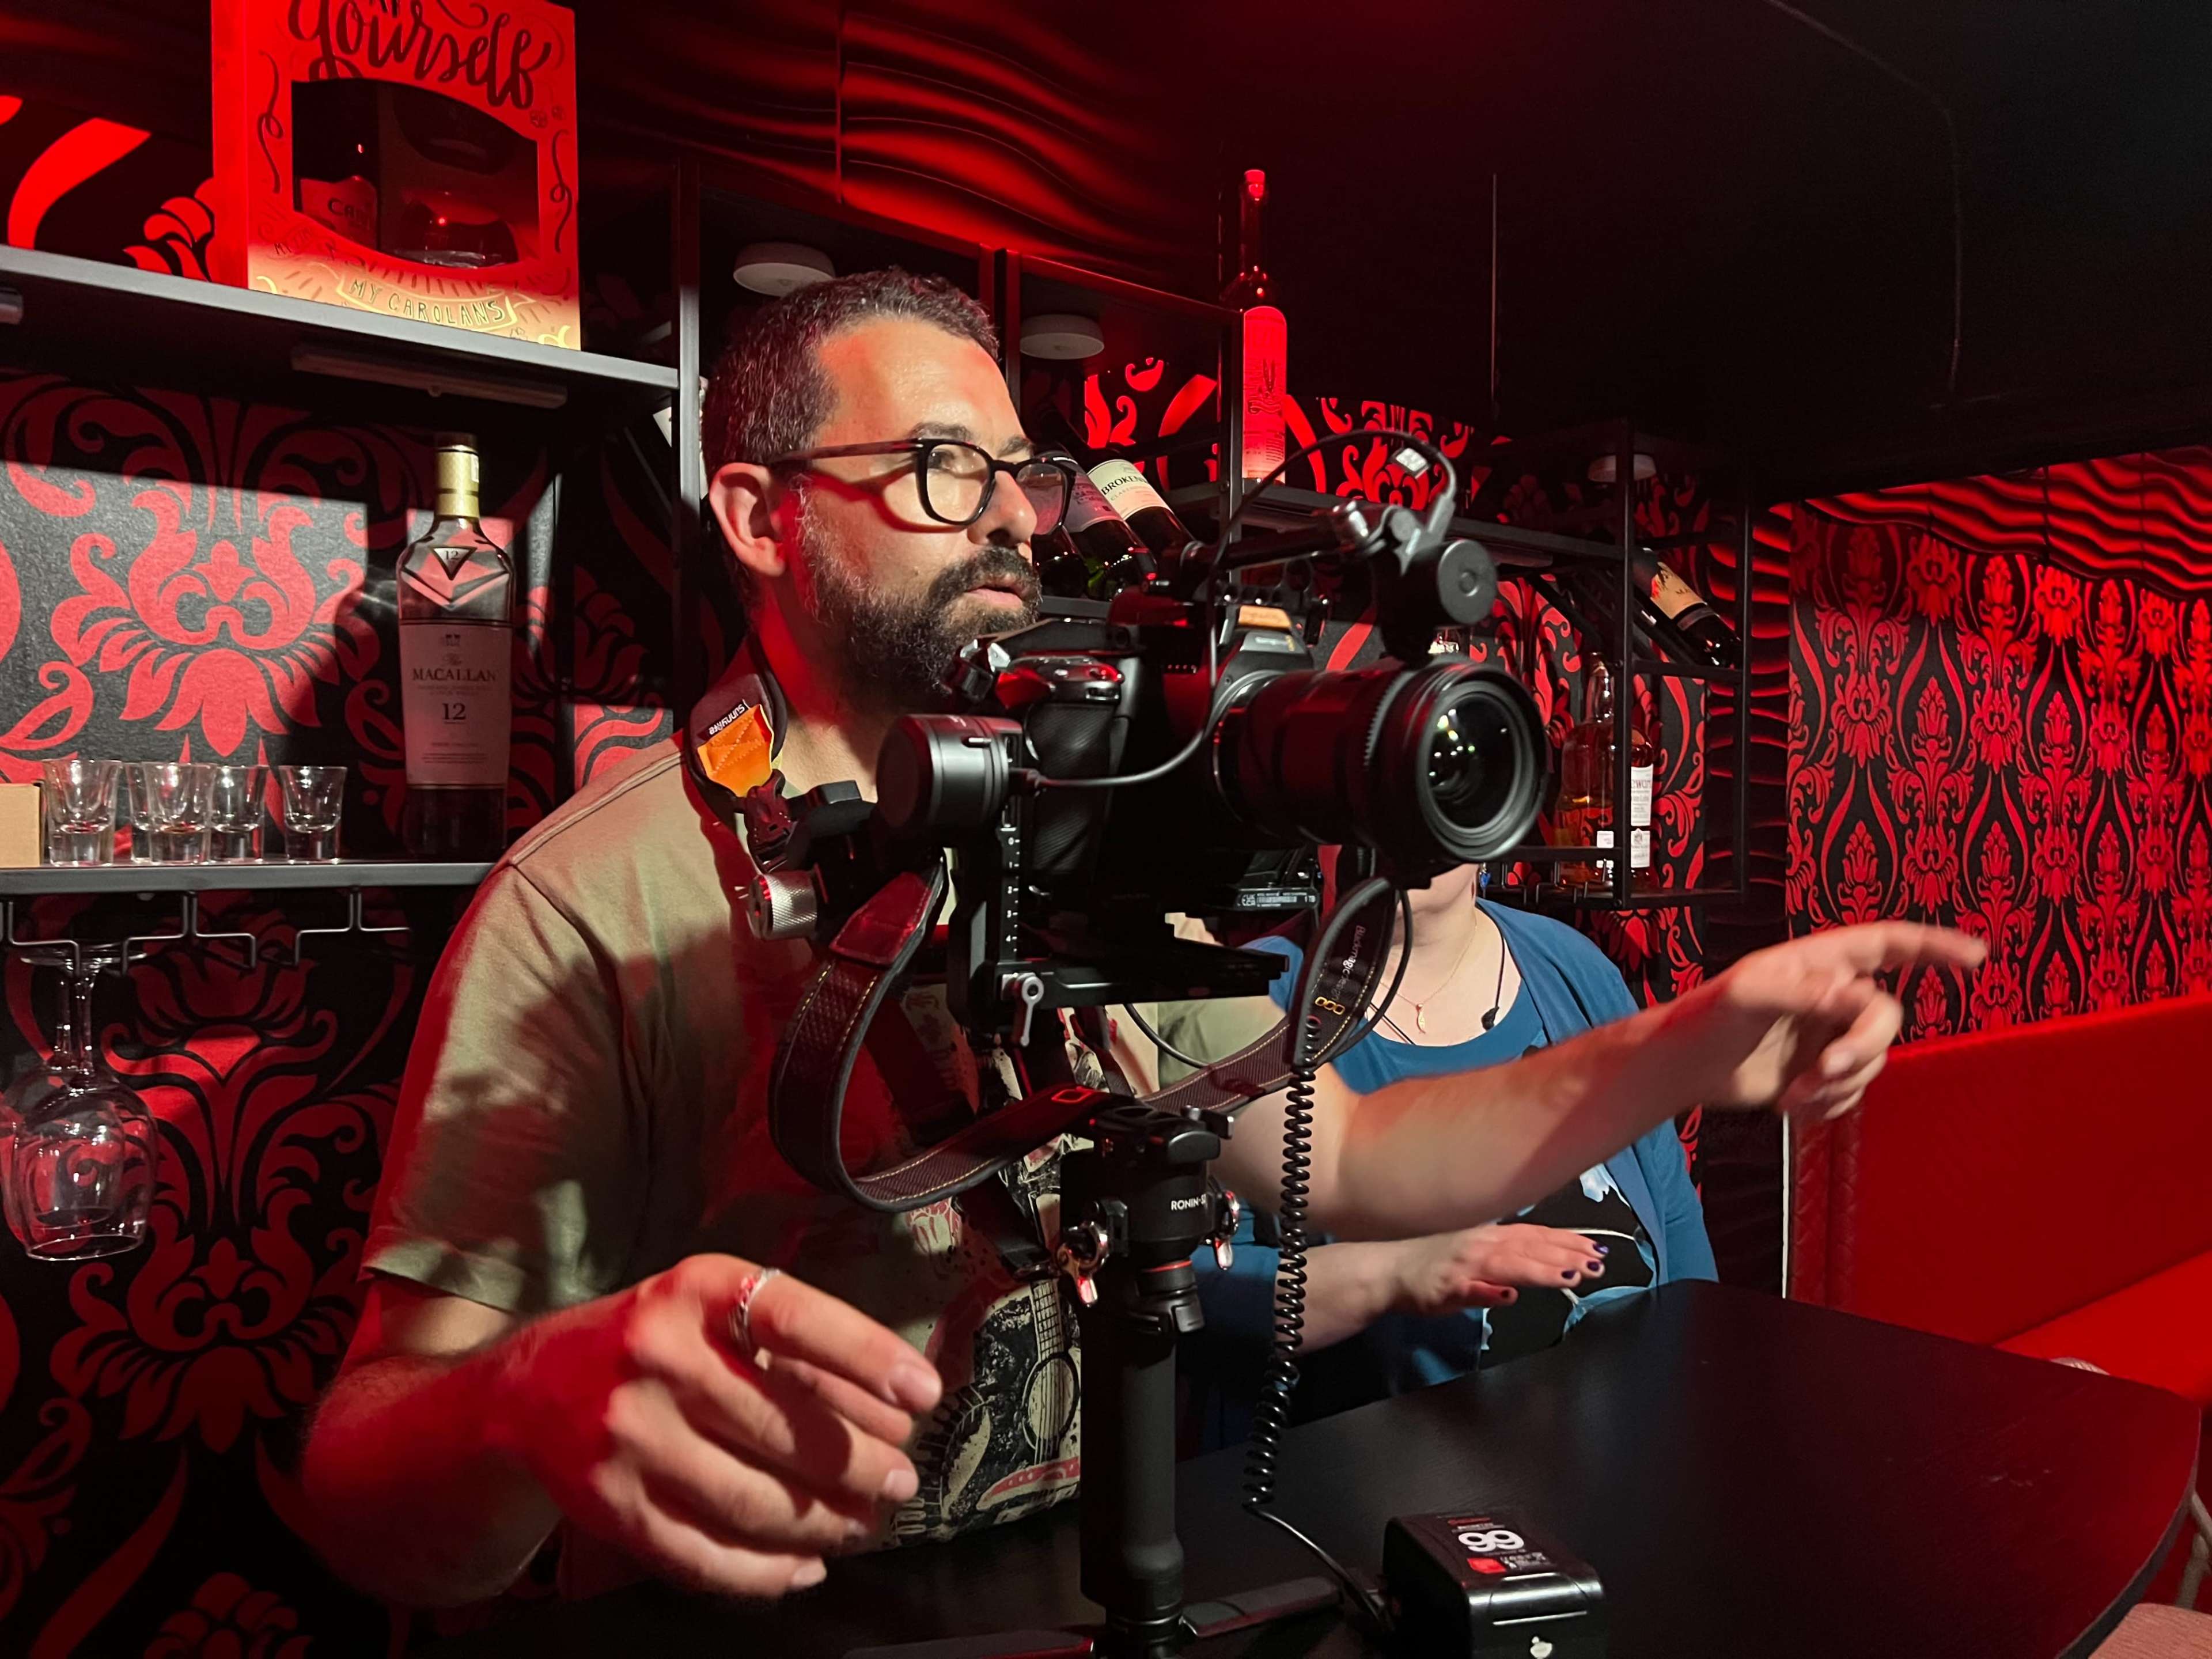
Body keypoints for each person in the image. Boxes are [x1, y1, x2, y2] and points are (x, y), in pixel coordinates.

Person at [298, 268, 1984, 1610]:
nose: (1014, 524)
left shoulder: (1065, 823)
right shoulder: (594, 905)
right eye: (941, 472)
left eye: (1014, 476)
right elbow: (370, 1489)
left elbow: (1345, 1154)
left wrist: (1693, 1035)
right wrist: (524, 1395)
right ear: (757, 512)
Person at [1134, 864, 1714, 1451]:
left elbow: (1673, 1221)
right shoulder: (1248, 998)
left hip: (1627, 1460)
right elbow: (1190, 1282)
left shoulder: (1571, 965)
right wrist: (1396, 1275)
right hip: (1388, 1494)